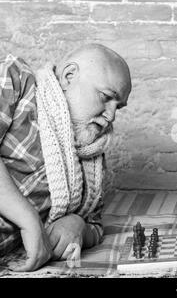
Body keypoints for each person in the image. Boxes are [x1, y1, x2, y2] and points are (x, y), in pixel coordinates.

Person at [0, 44, 132, 271]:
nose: (110, 115)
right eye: (106, 97)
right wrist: (29, 220)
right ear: (68, 77)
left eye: (118, 107)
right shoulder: (17, 80)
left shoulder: (90, 158)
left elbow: (95, 225)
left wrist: (78, 225)